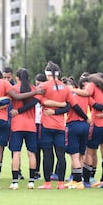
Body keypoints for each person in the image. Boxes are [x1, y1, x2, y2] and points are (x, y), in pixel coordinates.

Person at [35, 61, 89, 190]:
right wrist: (86, 118)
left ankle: (47, 183)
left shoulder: (43, 86)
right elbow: (72, 106)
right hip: (60, 126)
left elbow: (36, 100)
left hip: (47, 125)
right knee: (61, 155)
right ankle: (60, 183)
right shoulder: (65, 88)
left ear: (46, 73)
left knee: (47, 154)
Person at [71, 73, 103, 189]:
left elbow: (87, 94)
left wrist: (72, 89)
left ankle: (86, 181)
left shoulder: (91, 85)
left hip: (97, 124)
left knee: (90, 152)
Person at [34, 73, 47, 180]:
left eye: (40, 84)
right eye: (37, 84)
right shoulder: (34, 92)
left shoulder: (47, 93)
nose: (38, 86)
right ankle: (36, 171)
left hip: (44, 123)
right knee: (35, 148)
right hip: (34, 123)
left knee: (46, 148)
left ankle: (49, 171)